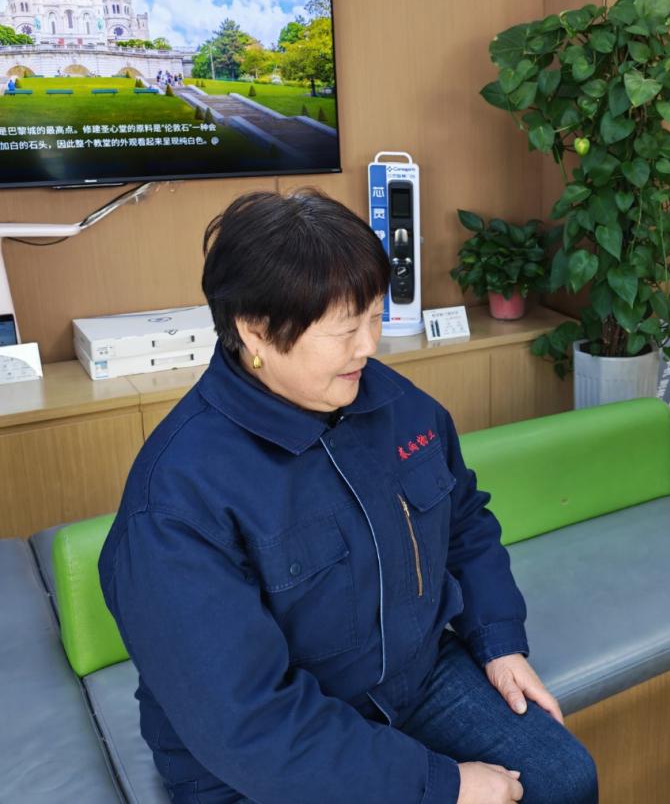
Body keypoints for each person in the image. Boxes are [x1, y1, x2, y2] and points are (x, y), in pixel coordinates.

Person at [99, 190, 598, 804]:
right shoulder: (177, 499)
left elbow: (464, 520)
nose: (369, 346)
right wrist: (442, 786)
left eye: (374, 317)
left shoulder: (396, 403)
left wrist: (498, 639)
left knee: (565, 780)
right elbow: (249, 724)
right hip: (260, 758)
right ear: (255, 331)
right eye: (345, 329)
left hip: (414, 683)